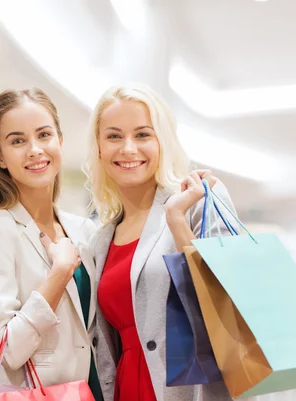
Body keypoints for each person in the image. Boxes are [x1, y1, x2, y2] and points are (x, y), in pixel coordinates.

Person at [84, 83, 234, 401]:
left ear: (162, 141)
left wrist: (177, 221)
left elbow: (228, 303)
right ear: (98, 146)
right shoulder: (101, 240)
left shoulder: (200, 201)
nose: (128, 148)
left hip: (190, 391)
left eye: (142, 135)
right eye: (113, 136)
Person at [0, 88, 102, 400]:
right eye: (17, 141)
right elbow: (8, 349)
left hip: (91, 389)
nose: (35, 149)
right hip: (36, 393)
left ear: (60, 141)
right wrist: (59, 273)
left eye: (44, 135)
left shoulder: (83, 230)